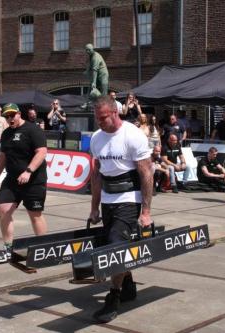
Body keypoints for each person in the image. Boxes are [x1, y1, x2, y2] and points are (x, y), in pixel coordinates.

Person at [88, 96, 153, 323]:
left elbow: (146, 173)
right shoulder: (96, 138)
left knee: (116, 246)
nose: (99, 122)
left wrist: (146, 211)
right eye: (96, 118)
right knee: (115, 244)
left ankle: (113, 297)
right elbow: (96, 175)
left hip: (129, 198)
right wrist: (94, 207)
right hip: (107, 199)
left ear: (115, 113)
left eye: (103, 118)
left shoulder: (132, 135)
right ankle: (127, 286)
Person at [0, 103, 48, 263]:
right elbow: (2, 156)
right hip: (12, 179)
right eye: (6, 116)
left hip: (34, 180)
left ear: (19, 114)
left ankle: (43, 249)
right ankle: (8, 249)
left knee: (35, 215)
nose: (10, 118)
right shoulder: (7, 134)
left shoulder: (33, 130)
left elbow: (42, 152)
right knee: (3, 209)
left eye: (12, 115)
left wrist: (28, 171)